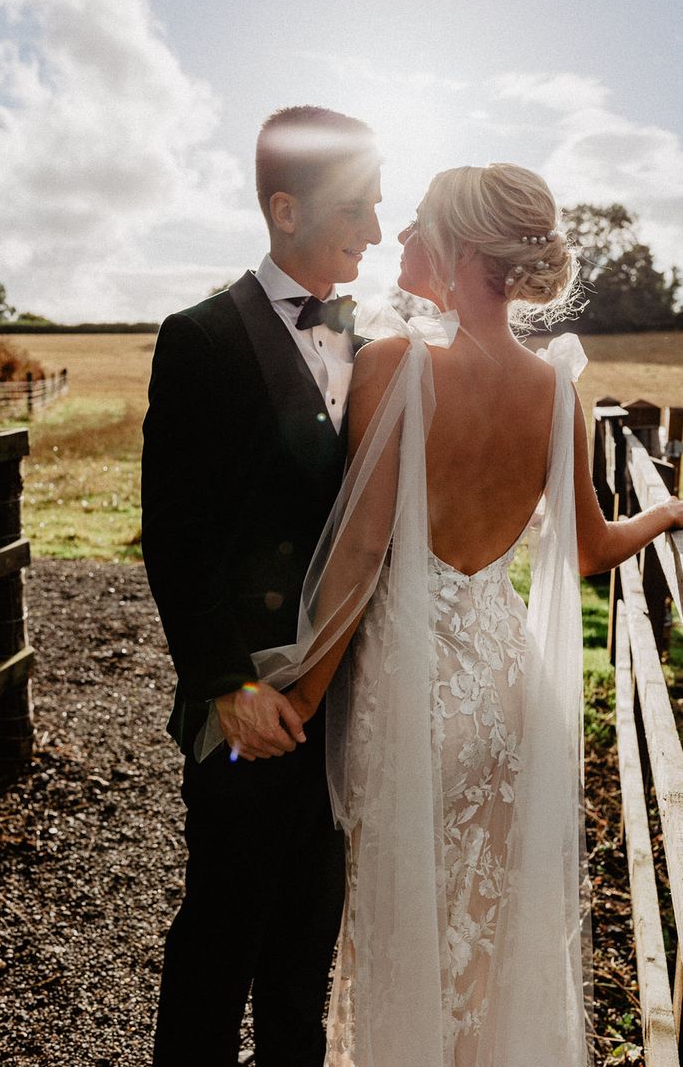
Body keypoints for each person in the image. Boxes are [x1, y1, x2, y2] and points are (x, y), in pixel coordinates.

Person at [250, 163, 683, 1065]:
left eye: (416, 226)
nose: (399, 239)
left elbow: (363, 556)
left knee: (400, 923)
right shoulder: (552, 389)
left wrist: (296, 694)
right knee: (483, 939)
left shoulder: (397, 365)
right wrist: (669, 513)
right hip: (506, 685)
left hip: (411, 689)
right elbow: (595, 550)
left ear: (457, 249)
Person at [141, 105, 382, 1066]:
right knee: (220, 941)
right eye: (355, 208)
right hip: (250, 704)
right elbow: (174, 538)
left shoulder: (380, 341)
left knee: (306, 953)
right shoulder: (200, 339)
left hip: (345, 695)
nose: (373, 228)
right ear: (284, 210)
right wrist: (227, 684)